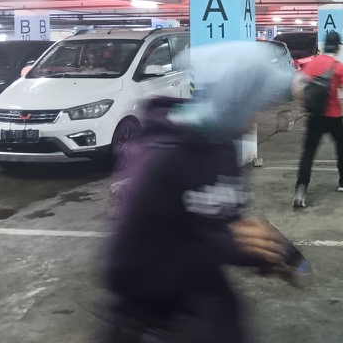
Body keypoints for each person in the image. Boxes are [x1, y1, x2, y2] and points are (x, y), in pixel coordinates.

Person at [104, 41, 298, 342]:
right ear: (234, 101)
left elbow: (213, 229)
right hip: (158, 323)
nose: (257, 117)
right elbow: (124, 269)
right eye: (254, 104)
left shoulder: (223, 148)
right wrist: (228, 244)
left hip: (206, 315)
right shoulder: (162, 158)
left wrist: (257, 252)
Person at [293, 30, 343, 208]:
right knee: (341, 149)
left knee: (308, 153)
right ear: (338, 47)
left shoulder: (312, 64)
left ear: (324, 46)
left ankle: (300, 189)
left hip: (315, 117)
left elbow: (297, 87)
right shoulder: (339, 67)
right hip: (334, 117)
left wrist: (305, 106)